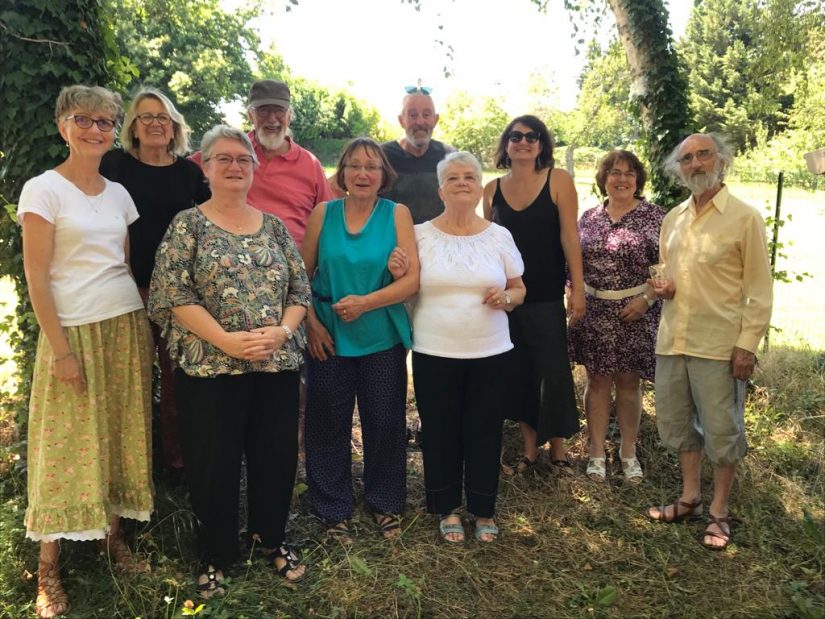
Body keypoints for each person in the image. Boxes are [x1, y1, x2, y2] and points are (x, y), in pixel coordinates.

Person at [148, 125, 311, 594]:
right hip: (210, 368)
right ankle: (215, 552)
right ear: (206, 167)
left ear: (254, 169)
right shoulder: (188, 225)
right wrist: (225, 339)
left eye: (243, 159)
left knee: (275, 458)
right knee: (213, 463)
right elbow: (172, 292)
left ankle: (271, 539)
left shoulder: (275, 227)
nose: (235, 166)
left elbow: (299, 290)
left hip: (274, 366)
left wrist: (281, 331)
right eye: (224, 159)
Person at [18, 85, 154, 618]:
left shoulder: (120, 194)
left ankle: (112, 537)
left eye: (104, 121)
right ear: (62, 125)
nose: (95, 129)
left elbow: (119, 263)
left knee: (119, 431)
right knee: (64, 443)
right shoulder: (42, 190)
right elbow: (36, 276)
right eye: (84, 119)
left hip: (123, 324)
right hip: (71, 330)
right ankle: (47, 569)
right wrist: (61, 350)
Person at [646, 133, 773, 551]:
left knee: (721, 431)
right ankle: (690, 498)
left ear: (721, 160)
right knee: (678, 425)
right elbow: (670, 274)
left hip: (719, 345)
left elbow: (758, 289)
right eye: (686, 158)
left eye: (703, 155)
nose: (696, 164)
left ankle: (719, 512)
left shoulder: (744, 217)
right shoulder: (673, 218)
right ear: (678, 169)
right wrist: (663, 290)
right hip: (672, 340)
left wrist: (747, 345)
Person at [301, 138, 419, 542]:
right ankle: (332, 508)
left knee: (384, 421)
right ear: (342, 173)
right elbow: (301, 277)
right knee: (326, 421)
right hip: (327, 334)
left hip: (380, 334)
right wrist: (311, 325)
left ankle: (384, 502)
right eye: (354, 166)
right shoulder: (324, 213)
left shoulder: (397, 214)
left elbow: (412, 280)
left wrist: (367, 302)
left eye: (371, 166)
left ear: (384, 174)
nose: (363, 173)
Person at [413, 151, 526, 543]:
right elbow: (404, 285)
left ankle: (483, 509)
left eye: (470, 177)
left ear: (481, 187)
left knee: (484, 431)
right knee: (440, 430)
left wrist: (507, 299)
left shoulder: (500, 236)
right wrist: (396, 269)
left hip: (490, 351)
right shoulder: (418, 234)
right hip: (433, 349)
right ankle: (446, 508)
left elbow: (520, 288)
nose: (463, 183)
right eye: (454, 178)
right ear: (440, 189)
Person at [100, 87, 210, 471]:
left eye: (162, 117)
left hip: (180, 293)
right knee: (131, 380)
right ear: (133, 125)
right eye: (146, 117)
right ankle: (134, 466)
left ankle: (177, 463)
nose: (155, 124)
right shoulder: (114, 166)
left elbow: (209, 222)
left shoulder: (190, 173)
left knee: (178, 378)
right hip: (126, 286)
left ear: (174, 126)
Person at [482, 115, 584, 476]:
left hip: (547, 295)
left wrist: (578, 288)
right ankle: (529, 450)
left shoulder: (558, 180)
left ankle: (558, 450)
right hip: (508, 299)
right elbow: (488, 245)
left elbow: (570, 238)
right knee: (520, 370)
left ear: (542, 144)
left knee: (552, 370)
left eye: (532, 136)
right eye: (515, 136)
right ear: (506, 144)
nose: (523, 142)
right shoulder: (491, 190)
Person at [567, 150, 664, 484]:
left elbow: (667, 267)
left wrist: (647, 299)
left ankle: (628, 452)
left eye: (629, 173)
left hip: (634, 313)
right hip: (594, 313)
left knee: (628, 382)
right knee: (597, 381)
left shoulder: (655, 217)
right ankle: (595, 452)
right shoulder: (590, 218)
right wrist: (572, 291)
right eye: (614, 172)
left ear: (638, 179)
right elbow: (573, 263)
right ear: (603, 178)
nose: (621, 179)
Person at [190, 79, 332, 247]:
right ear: (251, 115)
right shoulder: (232, 152)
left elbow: (330, 218)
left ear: (289, 115)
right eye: (263, 110)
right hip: (235, 261)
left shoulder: (310, 164)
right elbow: (178, 168)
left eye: (279, 110)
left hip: (292, 265)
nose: (272, 119)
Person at [380, 83, 456, 224]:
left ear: (435, 119)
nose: (420, 122)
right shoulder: (381, 155)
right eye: (412, 115)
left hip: (436, 241)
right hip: (393, 242)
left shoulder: (449, 156)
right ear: (401, 120)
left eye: (426, 115)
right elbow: (337, 185)